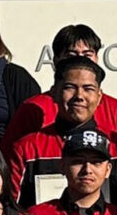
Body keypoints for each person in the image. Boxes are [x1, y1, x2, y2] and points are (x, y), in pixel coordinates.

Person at [5, 25, 117, 157]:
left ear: (97, 59)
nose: (80, 60)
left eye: (87, 55)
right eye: (71, 55)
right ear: (56, 60)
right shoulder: (33, 109)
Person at [7, 53, 111, 204]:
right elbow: (11, 208)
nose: (79, 96)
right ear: (54, 93)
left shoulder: (115, 148)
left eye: (88, 89)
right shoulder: (27, 149)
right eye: (70, 87)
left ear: (99, 96)